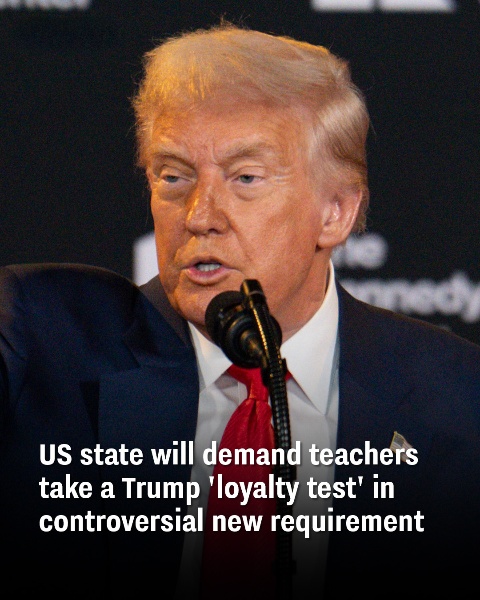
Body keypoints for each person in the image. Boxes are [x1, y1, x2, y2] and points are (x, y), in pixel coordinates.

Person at [0, 23, 479, 599]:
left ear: (335, 212)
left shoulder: (459, 399)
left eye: (246, 178)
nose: (199, 216)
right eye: (173, 176)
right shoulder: (37, 341)